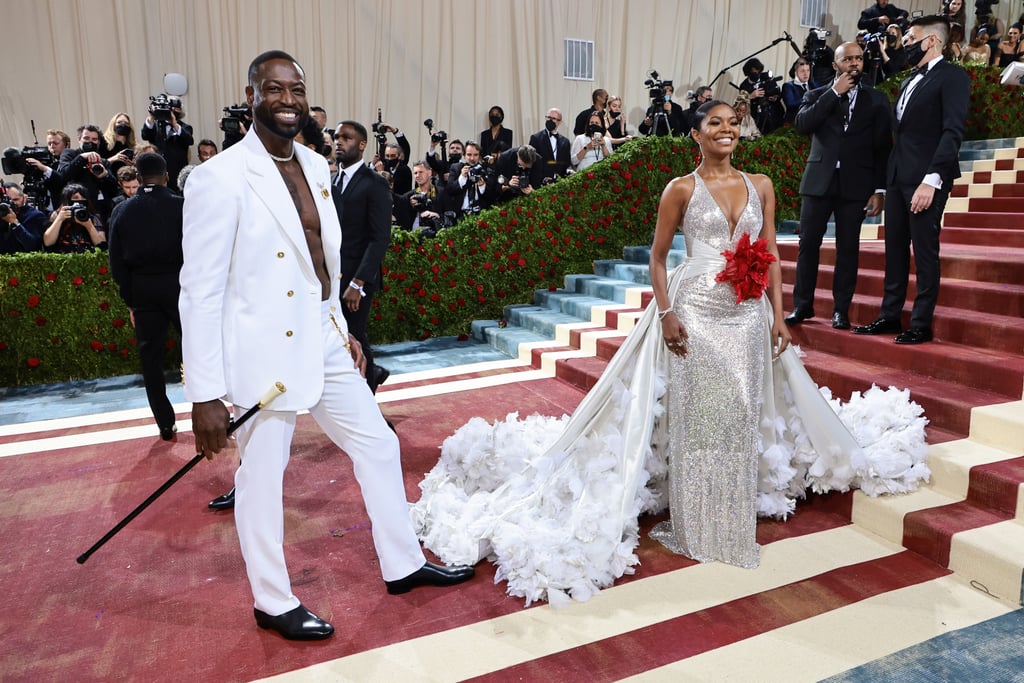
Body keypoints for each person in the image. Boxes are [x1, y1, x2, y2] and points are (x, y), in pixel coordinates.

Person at [410, 100, 928, 605]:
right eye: (715, 123)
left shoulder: (762, 186)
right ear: (696, 134)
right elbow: (658, 260)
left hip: (747, 314)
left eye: (733, 123)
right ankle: (698, 520)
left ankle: (731, 512)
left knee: (741, 411)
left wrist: (778, 314)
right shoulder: (679, 189)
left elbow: (768, 254)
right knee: (701, 414)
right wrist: (666, 313)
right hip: (693, 311)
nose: (727, 130)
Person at [179, 50, 473, 641]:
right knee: (264, 481)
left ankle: (403, 562)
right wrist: (206, 394)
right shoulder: (220, 177)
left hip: (322, 334)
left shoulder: (316, 166)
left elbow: (323, 268)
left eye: (296, 89)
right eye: (274, 89)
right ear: (251, 94)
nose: (287, 100)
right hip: (265, 356)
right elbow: (199, 292)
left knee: (378, 445)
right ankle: (272, 599)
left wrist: (342, 334)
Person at [854, 15, 970, 344]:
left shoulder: (953, 77)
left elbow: (952, 133)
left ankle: (920, 323)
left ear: (931, 40)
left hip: (926, 179)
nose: (906, 44)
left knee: (924, 250)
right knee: (894, 250)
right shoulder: (910, 79)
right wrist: (884, 183)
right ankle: (890, 315)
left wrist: (931, 180)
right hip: (898, 176)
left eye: (911, 38)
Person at [786, 42, 893, 331]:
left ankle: (840, 310)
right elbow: (803, 124)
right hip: (818, 182)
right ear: (836, 65)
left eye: (859, 58)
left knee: (849, 248)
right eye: (848, 59)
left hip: (856, 185)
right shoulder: (817, 94)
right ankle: (802, 306)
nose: (855, 63)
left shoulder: (877, 99)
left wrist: (879, 190)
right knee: (808, 244)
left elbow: (883, 148)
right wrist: (835, 93)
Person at [107, 153, 183, 441]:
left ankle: (165, 423)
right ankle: (209, 410)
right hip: (180, 287)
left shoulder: (122, 212)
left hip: (142, 291)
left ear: (137, 178)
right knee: (198, 352)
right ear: (166, 176)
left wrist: (131, 299)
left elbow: (116, 263)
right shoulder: (182, 206)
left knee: (150, 360)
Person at [332, 120, 393, 393]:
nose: (339, 142)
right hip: (333, 276)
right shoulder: (333, 181)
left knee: (356, 339)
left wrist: (358, 283)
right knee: (340, 340)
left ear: (362, 144)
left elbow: (379, 238)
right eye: (336, 137)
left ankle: (368, 401)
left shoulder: (374, 183)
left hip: (358, 280)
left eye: (346, 138)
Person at [42, 183, 106, 252]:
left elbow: (102, 246)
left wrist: (89, 226)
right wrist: (59, 219)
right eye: (75, 198)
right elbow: (48, 242)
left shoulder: (93, 217)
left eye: (83, 198)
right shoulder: (57, 215)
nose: (80, 201)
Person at [527, 108, 572, 185]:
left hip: (560, 182)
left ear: (559, 122)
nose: (550, 120)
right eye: (548, 118)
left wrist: (569, 170)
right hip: (541, 182)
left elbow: (567, 162)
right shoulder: (536, 138)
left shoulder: (565, 141)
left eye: (553, 118)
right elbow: (532, 161)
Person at [0, 182, 47, 253]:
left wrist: (15, 223)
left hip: (24, 262)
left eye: (15, 200)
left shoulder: (36, 216)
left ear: (25, 198)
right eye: (6, 201)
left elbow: (33, 246)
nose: (11, 204)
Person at [781, 59, 815, 124]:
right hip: (794, 122)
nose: (806, 74)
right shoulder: (788, 86)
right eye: (802, 71)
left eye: (808, 70)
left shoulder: (813, 85)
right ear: (796, 73)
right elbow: (790, 104)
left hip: (811, 121)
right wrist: (809, 98)